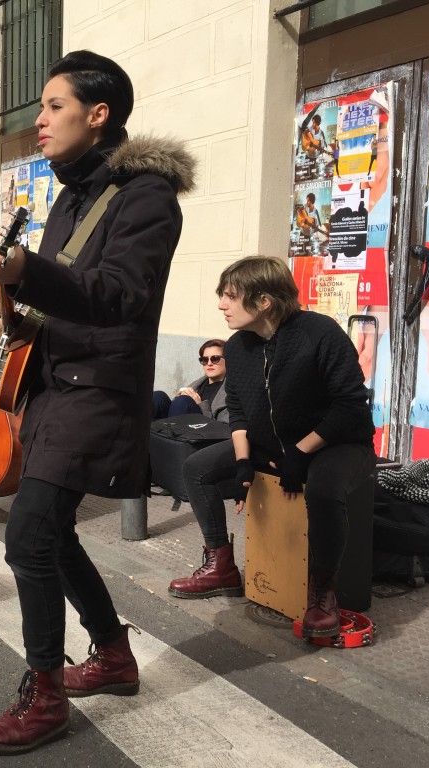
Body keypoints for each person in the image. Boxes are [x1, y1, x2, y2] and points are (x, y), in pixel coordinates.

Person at [0, 50, 194, 754]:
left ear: (98, 116)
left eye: (53, 107)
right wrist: (16, 320)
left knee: (29, 534)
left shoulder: (146, 197)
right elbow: (70, 300)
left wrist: (25, 272)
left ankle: (44, 697)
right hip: (55, 385)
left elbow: (121, 298)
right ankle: (115, 655)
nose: (37, 121)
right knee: (53, 536)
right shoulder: (71, 193)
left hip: (97, 391)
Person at [167, 256, 375, 641]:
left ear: (263, 301)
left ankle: (322, 593)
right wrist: (244, 461)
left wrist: (301, 452)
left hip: (337, 441)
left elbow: (349, 406)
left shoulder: (320, 333)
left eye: (230, 296)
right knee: (197, 470)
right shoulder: (238, 345)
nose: (221, 305)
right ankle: (221, 566)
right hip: (270, 443)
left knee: (325, 489)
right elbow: (241, 411)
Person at [152, 339, 228, 422]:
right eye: (205, 360)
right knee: (158, 396)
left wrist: (200, 405)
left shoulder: (230, 390)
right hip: (179, 425)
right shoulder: (197, 384)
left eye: (215, 358)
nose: (209, 363)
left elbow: (223, 428)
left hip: (203, 431)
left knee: (183, 401)